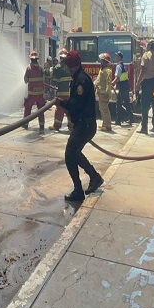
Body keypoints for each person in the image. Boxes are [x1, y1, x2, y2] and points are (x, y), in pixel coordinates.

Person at [56, 50, 104, 202]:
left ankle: (90, 180)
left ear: (73, 65)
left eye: (68, 66)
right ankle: (87, 181)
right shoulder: (77, 78)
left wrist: (62, 103)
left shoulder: (81, 80)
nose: (67, 69)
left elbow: (76, 105)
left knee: (71, 153)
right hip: (83, 124)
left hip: (86, 125)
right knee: (72, 153)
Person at [136, 40, 154, 135]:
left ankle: (144, 127)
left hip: (147, 82)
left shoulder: (146, 55)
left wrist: (138, 83)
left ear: (149, 46)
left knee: (145, 105)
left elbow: (143, 71)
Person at [23, 51, 46, 134]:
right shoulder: (40, 68)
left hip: (32, 94)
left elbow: (26, 80)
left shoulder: (28, 68)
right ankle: (42, 126)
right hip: (40, 94)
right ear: (37, 59)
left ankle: (25, 124)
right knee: (41, 110)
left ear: (30, 59)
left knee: (28, 108)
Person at [50, 49, 72, 131]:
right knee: (70, 109)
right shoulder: (72, 66)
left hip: (62, 92)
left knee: (59, 109)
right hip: (71, 92)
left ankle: (57, 126)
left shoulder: (57, 67)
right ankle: (72, 126)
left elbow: (54, 80)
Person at [111, 51, 132, 126]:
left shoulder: (118, 66)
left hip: (123, 87)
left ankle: (118, 120)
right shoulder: (122, 65)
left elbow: (118, 78)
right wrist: (116, 85)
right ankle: (130, 118)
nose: (115, 58)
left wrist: (112, 83)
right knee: (126, 103)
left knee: (119, 103)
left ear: (119, 57)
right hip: (125, 86)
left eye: (116, 56)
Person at [95, 53, 114, 132]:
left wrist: (107, 93)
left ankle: (108, 126)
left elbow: (108, 83)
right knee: (101, 108)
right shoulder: (102, 70)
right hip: (100, 93)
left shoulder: (107, 71)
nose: (100, 62)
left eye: (102, 61)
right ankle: (104, 123)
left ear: (106, 62)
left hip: (104, 93)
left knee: (105, 109)